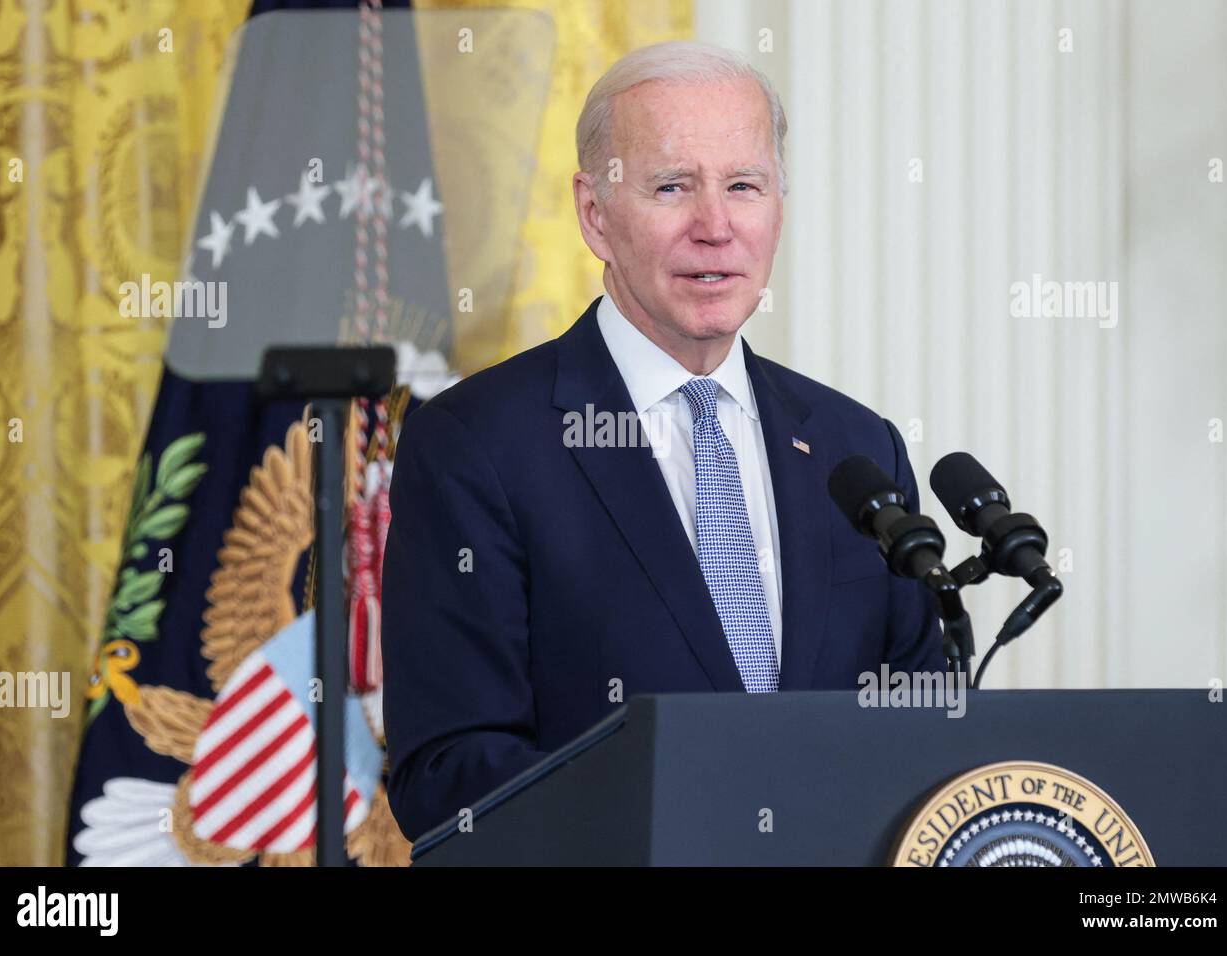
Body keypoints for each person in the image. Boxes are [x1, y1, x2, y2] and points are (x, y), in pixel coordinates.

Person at [381, 41, 944, 842]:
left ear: (779, 207)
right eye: (672, 187)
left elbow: (920, 728)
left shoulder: (858, 448)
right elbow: (449, 775)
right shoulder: (476, 445)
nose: (715, 227)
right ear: (595, 214)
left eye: (743, 186)